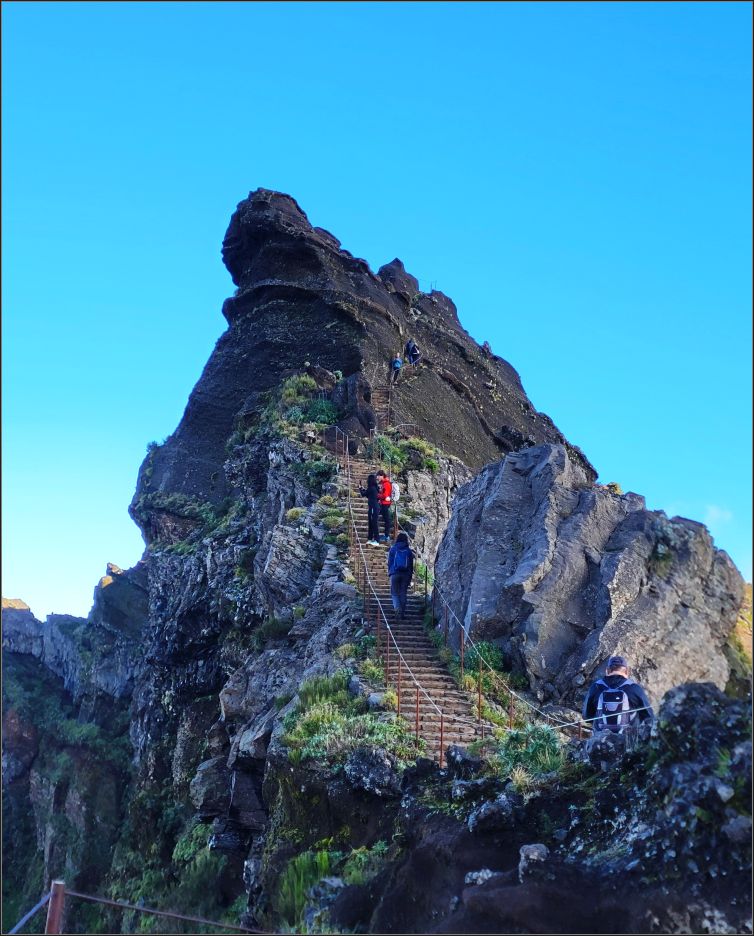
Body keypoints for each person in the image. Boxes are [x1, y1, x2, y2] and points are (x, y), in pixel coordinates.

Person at [582, 655, 654, 735]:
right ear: (627, 671)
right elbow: (649, 717)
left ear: (607, 670)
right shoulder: (634, 688)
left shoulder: (595, 687)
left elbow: (586, 717)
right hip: (627, 741)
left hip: (601, 740)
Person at [387, 531, 414, 619]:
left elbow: (390, 562)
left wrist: (390, 573)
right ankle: (402, 613)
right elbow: (411, 565)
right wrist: (410, 576)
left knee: (394, 593)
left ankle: (397, 609)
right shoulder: (408, 551)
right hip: (405, 575)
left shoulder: (393, 549)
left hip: (394, 573)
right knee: (403, 593)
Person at [359, 473, 381, 546]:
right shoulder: (374, 488)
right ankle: (370, 538)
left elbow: (363, 494)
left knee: (374, 524)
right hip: (374, 507)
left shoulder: (371, 488)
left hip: (373, 508)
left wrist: (360, 488)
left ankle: (377, 540)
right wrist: (362, 489)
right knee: (371, 523)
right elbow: (368, 494)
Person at [376, 469, 393, 542]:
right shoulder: (385, 483)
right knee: (386, 519)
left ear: (382, 476)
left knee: (387, 520)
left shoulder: (386, 484)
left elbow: (385, 495)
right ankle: (385, 535)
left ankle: (386, 536)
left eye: (378, 476)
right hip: (384, 503)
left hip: (385, 504)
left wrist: (377, 495)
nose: (377, 478)